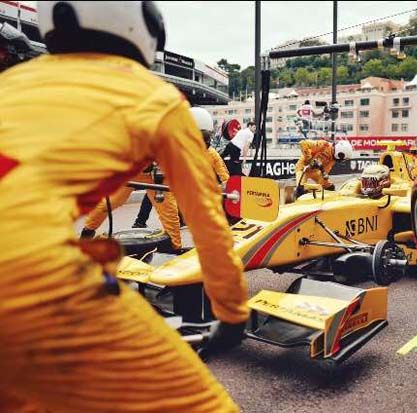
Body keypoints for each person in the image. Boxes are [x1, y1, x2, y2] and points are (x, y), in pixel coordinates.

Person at [0, 2, 248, 412]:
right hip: (31, 280)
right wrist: (233, 312)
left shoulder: (15, 82)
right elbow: (209, 225)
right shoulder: (155, 96)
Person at [132, 107, 229, 229]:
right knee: (156, 187)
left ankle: (180, 218)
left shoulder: (211, 153)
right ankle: (141, 220)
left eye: (204, 138)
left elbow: (224, 175)